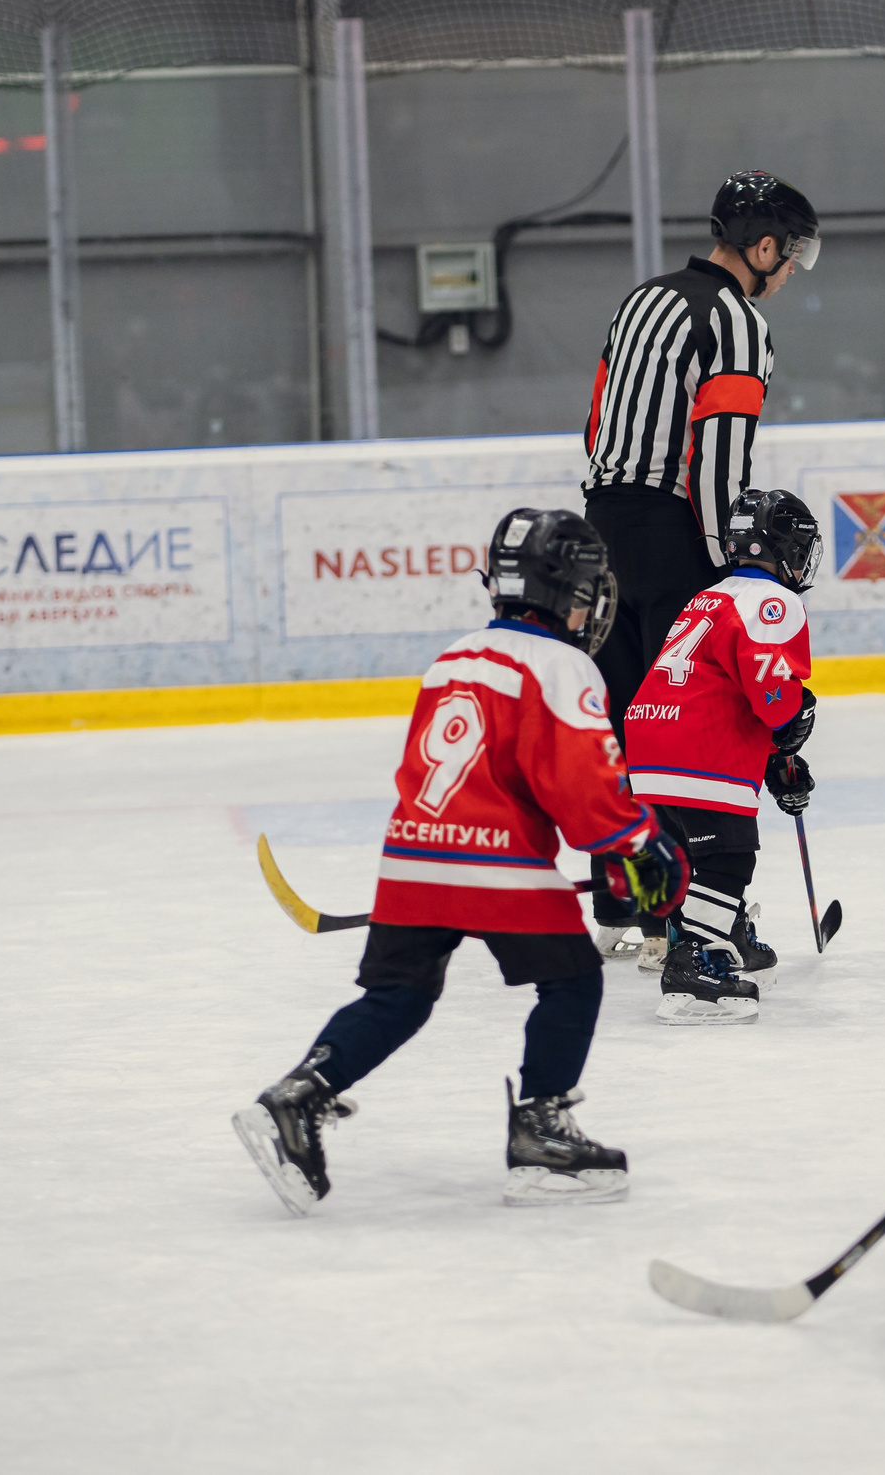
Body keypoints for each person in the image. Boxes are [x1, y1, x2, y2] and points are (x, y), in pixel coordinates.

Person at [231, 508, 690, 1215]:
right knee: (572, 982)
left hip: (413, 854)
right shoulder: (562, 665)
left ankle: (297, 1097)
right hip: (499, 866)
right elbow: (581, 783)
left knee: (399, 997)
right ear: (566, 591)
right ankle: (540, 1131)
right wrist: (635, 843)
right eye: (585, 591)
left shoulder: (454, 656)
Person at [581, 173, 818, 950]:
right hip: (675, 533)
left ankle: (624, 903)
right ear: (763, 246)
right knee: (685, 731)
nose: (792, 270)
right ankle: (689, 917)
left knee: (624, 721)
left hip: (603, 528)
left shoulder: (640, 300)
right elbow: (718, 460)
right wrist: (732, 569)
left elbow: (596, 425)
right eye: (792, 254)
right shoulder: (738, 323)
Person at [620, 487, 823, 1023]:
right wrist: (794, 714)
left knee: (698, 856)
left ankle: (728, 937)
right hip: (698, 745)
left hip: (651, 738)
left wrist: (777, 758)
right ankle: (693, 964)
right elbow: (769, 692)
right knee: (727, 858)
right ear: (785, 547)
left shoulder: (709, 595)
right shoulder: (774, 602)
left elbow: (717, 685)